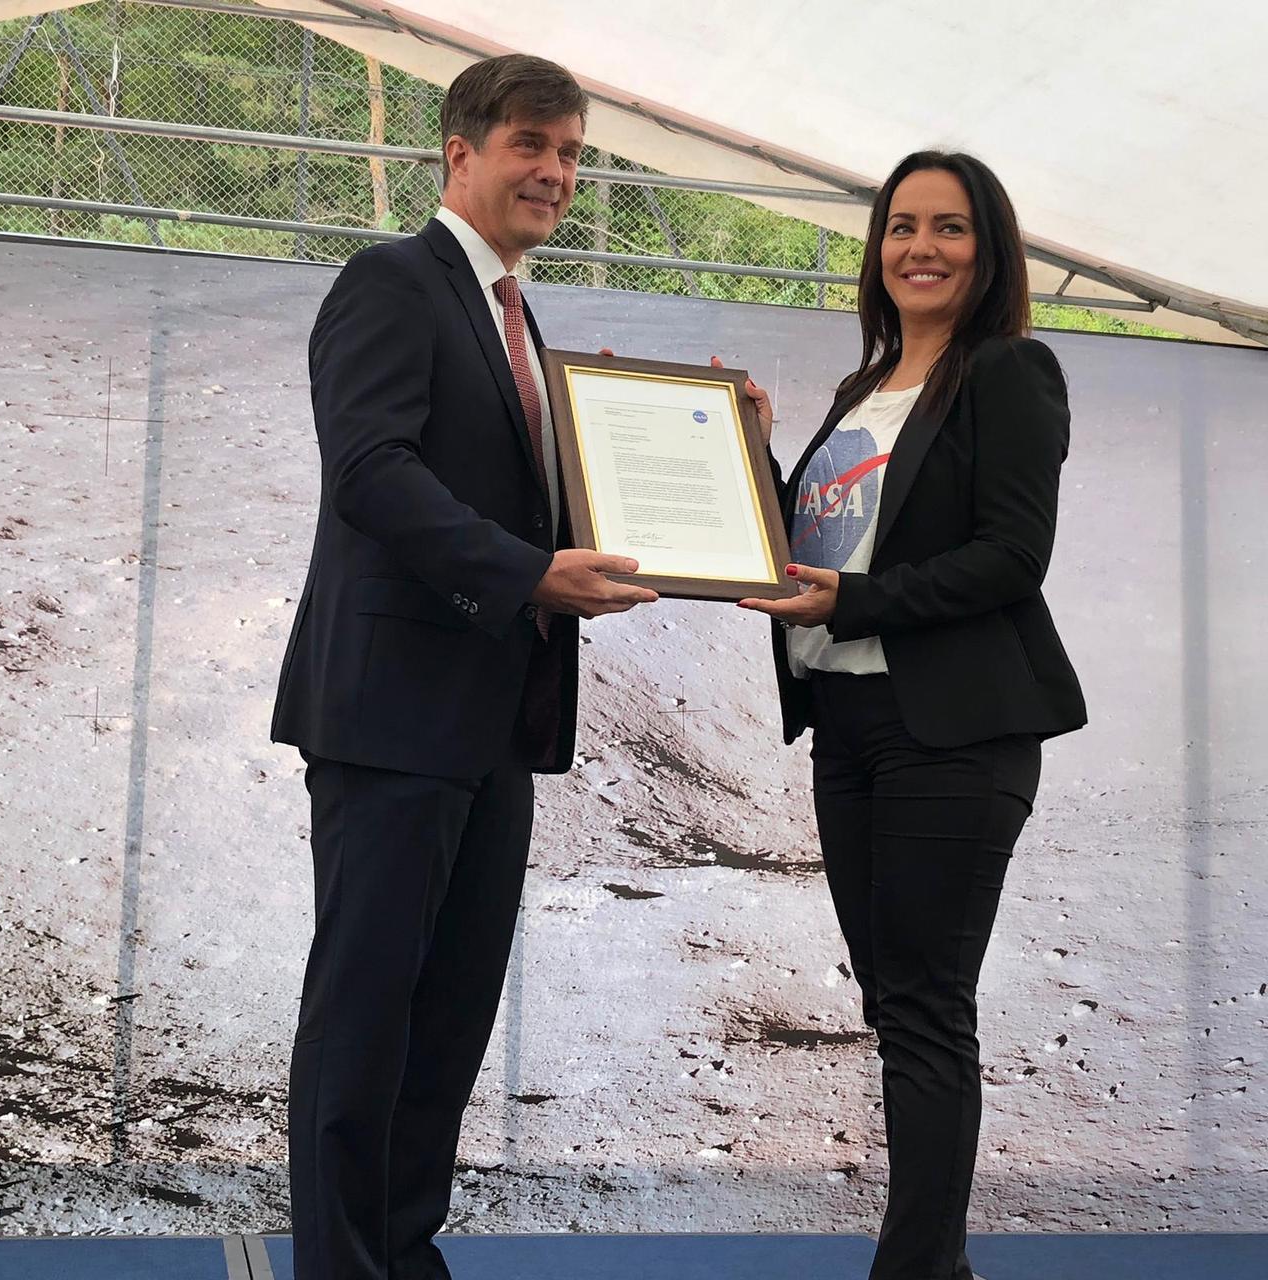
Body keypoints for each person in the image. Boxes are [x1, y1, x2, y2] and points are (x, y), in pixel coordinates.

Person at [269, 54, 656, 1280]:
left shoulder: (521, 316)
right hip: (390, 716)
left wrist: (715, 444)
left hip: (496, 720)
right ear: (460, 151)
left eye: (572, 153)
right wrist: (531, 575)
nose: (554, 171)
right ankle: (341, 1263)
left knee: (445, 1017)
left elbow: (536, 495)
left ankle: (398, 1247)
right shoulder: (392, 280)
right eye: (533, 144)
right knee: (366, 1009)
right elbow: (371, 472)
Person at [738, 151, 1087, 1279]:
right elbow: (808, 547)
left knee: (927, 1008)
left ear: (987, 251)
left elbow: (1010, 556)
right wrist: (740, 442)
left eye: (947, 228)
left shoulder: (1008, 372)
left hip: (951, 726)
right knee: (898, 1007)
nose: (919, 248)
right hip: (844, 724)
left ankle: (917, 1268)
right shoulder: (862, 392)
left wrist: (861, 600)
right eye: (900, 226)